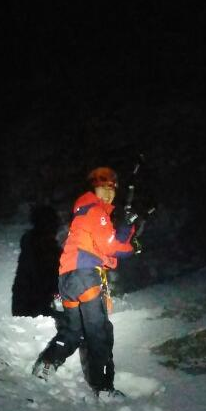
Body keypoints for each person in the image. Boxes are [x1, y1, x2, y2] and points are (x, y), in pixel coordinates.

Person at [32, 166, 135, 396]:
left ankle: (47, 363)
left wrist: (125, 232)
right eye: (103, 188)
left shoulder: (81, 214)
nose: (108, 194)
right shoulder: (95, 210)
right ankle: (104, 388)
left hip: (67, 280)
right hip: (85, 276)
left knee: (73, 331)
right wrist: (129, 235)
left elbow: (106, 254)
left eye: (111, 190)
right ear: (94, 190)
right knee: (100, 333)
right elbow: (112, 247)